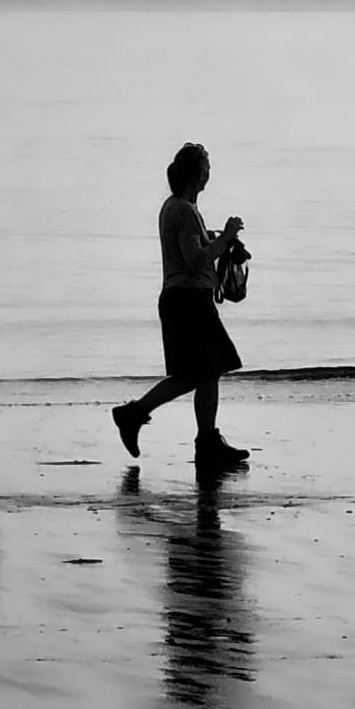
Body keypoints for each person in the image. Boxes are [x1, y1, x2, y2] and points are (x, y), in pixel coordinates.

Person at [112, 142, 251, 469]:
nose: (209, 174)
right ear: (197, 173)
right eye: (207, 168)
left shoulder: (173, 207)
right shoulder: (185, 211)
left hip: (181, 299)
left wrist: (216, 239)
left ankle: (204, 442)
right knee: (204, 370)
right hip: (188, 299)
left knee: (203, 372)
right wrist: (225, 237)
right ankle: (138, 415)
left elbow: (189, 248)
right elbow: (193, 259)